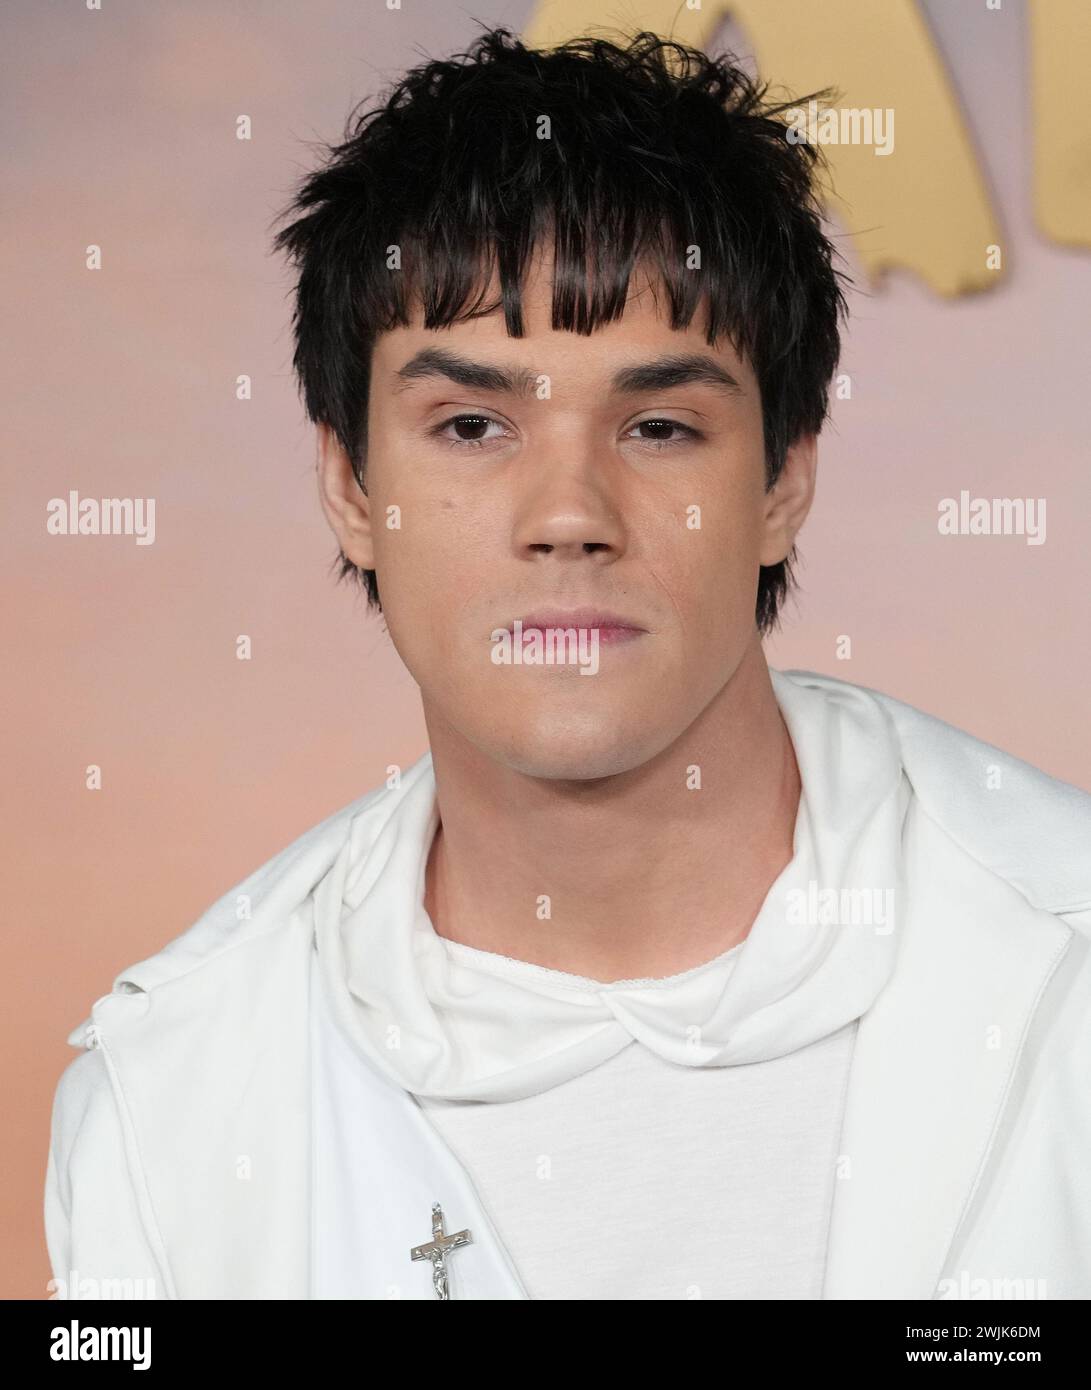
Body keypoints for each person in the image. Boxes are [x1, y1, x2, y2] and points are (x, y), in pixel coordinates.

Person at [45, 26, 1091, 1302]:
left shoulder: (1061, 958)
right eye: (470, 425)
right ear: (350, 486)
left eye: (657, 426)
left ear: (782, 480)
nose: (567, 514)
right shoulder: (168, 1100)